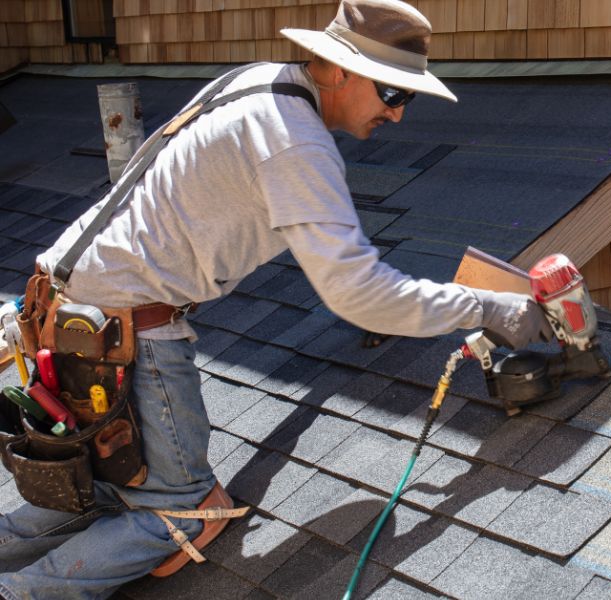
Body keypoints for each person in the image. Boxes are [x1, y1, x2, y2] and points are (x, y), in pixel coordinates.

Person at [0, 0, 551, 597]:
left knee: (104, 486)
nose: (397, 115)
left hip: (61, 305)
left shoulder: (259, 80)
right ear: (337, 69)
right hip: (123, 326)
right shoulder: (295, 143)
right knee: (184, 511)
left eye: (406, 98)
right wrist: (489, 308)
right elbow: (361, 294)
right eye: (392, 93)